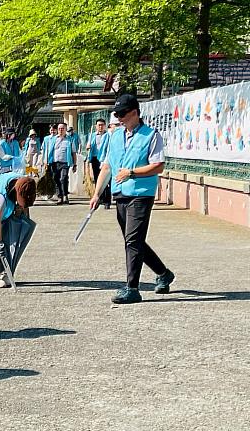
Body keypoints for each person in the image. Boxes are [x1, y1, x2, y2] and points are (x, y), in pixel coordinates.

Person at [89, 94, 175, 305]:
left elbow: (158, 165)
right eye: (116, 115)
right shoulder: (115, 136)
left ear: (135, 112)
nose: (119, 118)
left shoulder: (151, 135)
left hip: (141, 194)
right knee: (133, 241)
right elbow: (107, 166)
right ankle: (164, 273)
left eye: (123, 114)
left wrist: (132, 173)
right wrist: (97, 193)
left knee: (133, 240)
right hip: (120, 194)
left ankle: (132, 288)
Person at [47, 122, 77, 205]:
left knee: (63, 178)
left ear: (65, 130)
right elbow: (49, 152)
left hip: (65, 162)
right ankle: (59, 196)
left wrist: (75, 164)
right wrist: (46, 162)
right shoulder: (53, 139)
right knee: (56, 179)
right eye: (59, 129)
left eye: (63, 129)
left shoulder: (70, 140)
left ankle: (65, 195)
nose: (61, 130)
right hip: (55, 163)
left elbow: (74, 153)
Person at [86, 118, 112, 209]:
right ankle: (99, 198)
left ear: (105, 126)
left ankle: (107, 201)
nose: (100, 127)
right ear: (96, 126)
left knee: (107, 180)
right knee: (98, 179)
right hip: (95, 159)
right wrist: (88, 147)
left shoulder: (108, 135)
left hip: (105, 159)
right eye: (99, 125)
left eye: (102, 125)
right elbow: (88, 147)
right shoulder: (92, 135)